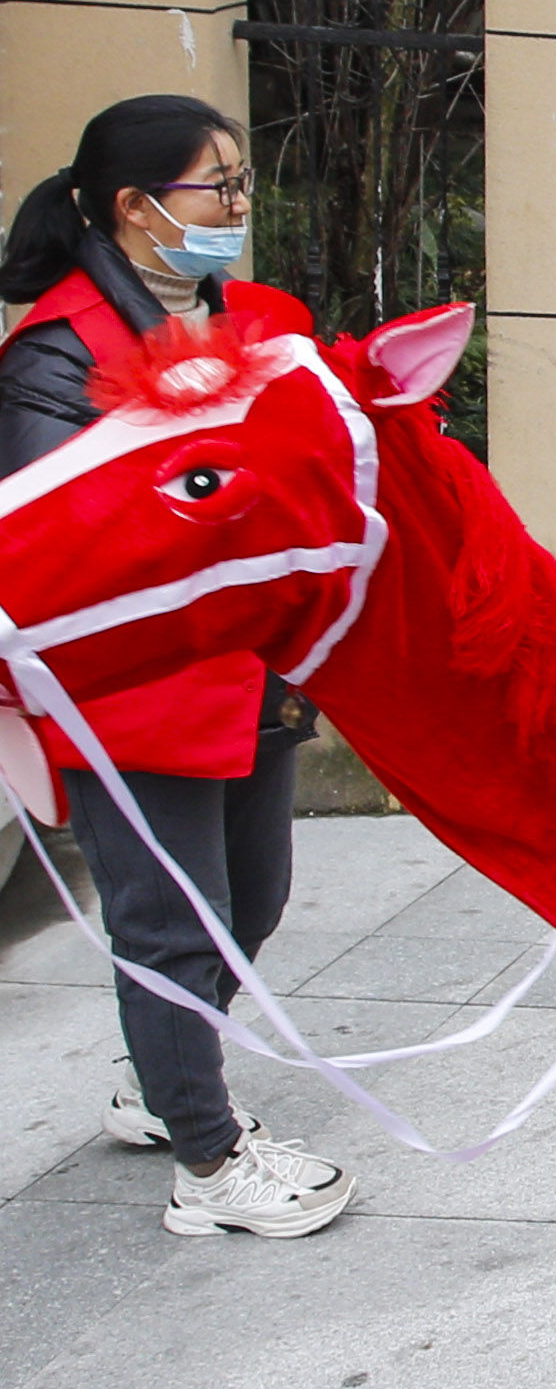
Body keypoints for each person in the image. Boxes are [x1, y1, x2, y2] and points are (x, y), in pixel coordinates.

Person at [0, 97, 342, 1239]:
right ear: (136, 207)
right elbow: (63, 535)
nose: (238, 209)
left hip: (253, 669)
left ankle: (164, 1079)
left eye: (244, 186)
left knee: (256, 898)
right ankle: (208, 1159)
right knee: (169, 922)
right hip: (133, 686)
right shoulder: (57, 351)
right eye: (218, 189)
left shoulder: (257, 317)